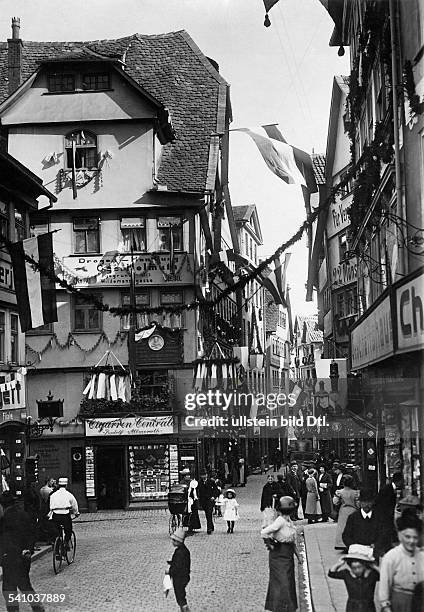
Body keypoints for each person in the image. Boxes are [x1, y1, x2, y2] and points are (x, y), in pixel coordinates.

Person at [0, 491, 45, 612]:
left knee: (9, 588)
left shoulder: (4, 519)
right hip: (24, 556)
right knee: (25, 584)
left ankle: (14, 610)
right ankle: (38, 608)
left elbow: (5, 540)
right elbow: (33, 533)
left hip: (10, 557)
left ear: (3, 505)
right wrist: (28, 550)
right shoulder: (24, 515)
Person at [260, 496, 302, 612]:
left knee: (288, 581)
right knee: (281, 581)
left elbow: (293, 542)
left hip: (288, 556)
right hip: (278, 555)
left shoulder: (289, 521)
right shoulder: (280, 521)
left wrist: (298, 556)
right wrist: (270, 544)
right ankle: (280, 607)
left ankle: (288, 607)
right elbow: (264, 532)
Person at [379, 512, 424, 612]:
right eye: (407, 537)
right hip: (399, 604)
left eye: (415, 537)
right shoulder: (391, 557)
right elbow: (384, 587)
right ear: (400, 535)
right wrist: (386, 607)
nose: (411, 541)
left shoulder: (421, 556)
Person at [328, 544, 379, 612]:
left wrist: (374, 566)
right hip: (352, 607)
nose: (357, 570)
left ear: (364, 566)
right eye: (354, 568)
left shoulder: (372, 575)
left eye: (359, 567)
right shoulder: (347, 574)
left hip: (368, 607)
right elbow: (331, 573)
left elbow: (385, 576)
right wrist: (339, 563)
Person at [342, 488, 387, 560]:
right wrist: (353, 545)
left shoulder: (379, 517)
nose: (366, 505)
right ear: (360, 502)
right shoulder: (353, 517)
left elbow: (383, 534)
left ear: (373, 502)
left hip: (373, 553)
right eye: (364, 502)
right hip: (357, 553)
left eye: (369, 502)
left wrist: (376, 545)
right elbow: (346, 535)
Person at [48, 477, 79, 547]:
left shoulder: (53, 495)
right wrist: (76, 513)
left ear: (59, 485)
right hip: (65, 515)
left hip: (55, 515)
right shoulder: (69, 494)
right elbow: (74, 505)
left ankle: (58, 546)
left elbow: (50, 505)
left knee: (57, 532)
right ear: (66, 485)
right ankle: (66, 542)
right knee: (68, 530)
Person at [167, 527, 191, 612]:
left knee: (180, 595)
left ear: (179, 541)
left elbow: (178, 566)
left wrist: (170, 571)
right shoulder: (183, 550)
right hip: (184, 576)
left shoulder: (180, 552)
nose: (172, 542)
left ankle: (185, 609)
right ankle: (183, 609)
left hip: (180, 577)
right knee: (180, 594)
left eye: (174, 540)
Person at [334, 475, 360, 551]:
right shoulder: (355, 493)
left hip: (343, 511)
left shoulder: (340, 492)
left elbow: (335, 502)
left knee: (342, 527)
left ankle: (341, 544)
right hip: (353, 511)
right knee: (353, 528)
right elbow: (358, 504)